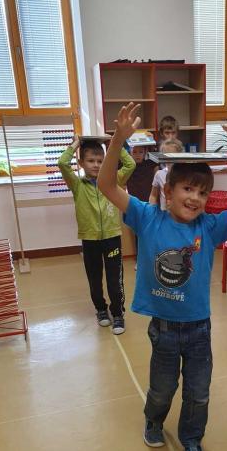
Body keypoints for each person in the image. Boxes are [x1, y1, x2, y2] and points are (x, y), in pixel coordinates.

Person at [98, 103, 227, 451]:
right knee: (162, 389)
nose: (195, 198)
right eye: (188, 189)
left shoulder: (210, 227)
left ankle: (192, 441)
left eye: (202, 193)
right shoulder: (147, 218)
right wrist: (118, 141)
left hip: (199, 329)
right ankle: (153, 420)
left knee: (198, 394)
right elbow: (106, 185)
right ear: (168, 191)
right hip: (164, 330)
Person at [58, 135, 135, 334]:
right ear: (81, 163)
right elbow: (62, 163)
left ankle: (117, 314)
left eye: (100, 161)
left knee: (114, 279)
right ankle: (101, 310)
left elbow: (130, 164)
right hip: (89, 239)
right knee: (94, 278)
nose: (96, 165)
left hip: (112, 238)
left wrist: (113, 144)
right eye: (91, 161)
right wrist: (76, 144)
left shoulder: (112, 181)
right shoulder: (77, 184)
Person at [126, 144, 158, 265]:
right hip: (135, 204)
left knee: (152, 231)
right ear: (130, 153)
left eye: (140, 152)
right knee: (138, 233)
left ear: (145, 153)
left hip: (150, 203)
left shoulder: (150, 163)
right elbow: (117, 156)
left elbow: (157, 156)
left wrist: (149, 140)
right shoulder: (128, 165)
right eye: (134, 152)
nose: (137, 155)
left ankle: (154, 258)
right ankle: (140, 260)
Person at [149, 138, 184, 210]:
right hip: (164, 213)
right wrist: (152, 210)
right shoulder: (159, 174)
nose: (169, 158)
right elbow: (153, 195)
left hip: (182, 213)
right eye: (166, 155)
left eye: (172, 155)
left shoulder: (186, 174)